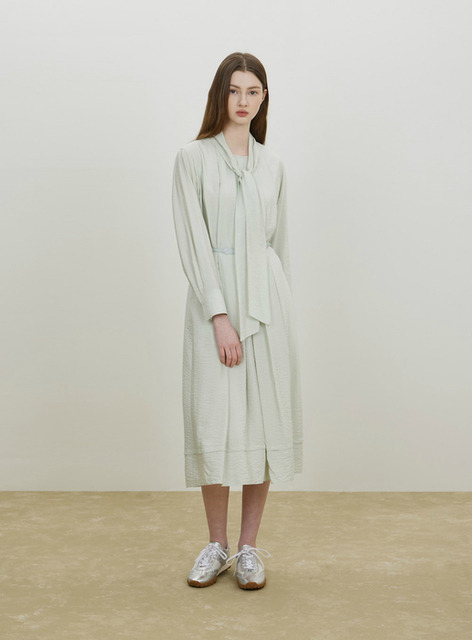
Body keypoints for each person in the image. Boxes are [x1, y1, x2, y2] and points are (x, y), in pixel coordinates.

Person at [171, 52, 303, 590]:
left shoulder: (274, 166)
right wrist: (219, 314)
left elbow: (279, 248)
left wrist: (280, 317)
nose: (243, 101)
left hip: (268, 307)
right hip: (217, 303)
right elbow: (194, 241)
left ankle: (248, 549)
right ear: (219, 95)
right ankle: (216, 544)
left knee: (263, 426)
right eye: (234, 90)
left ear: (263, 97)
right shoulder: (192, 158)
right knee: (215, 422)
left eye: (253, 91)